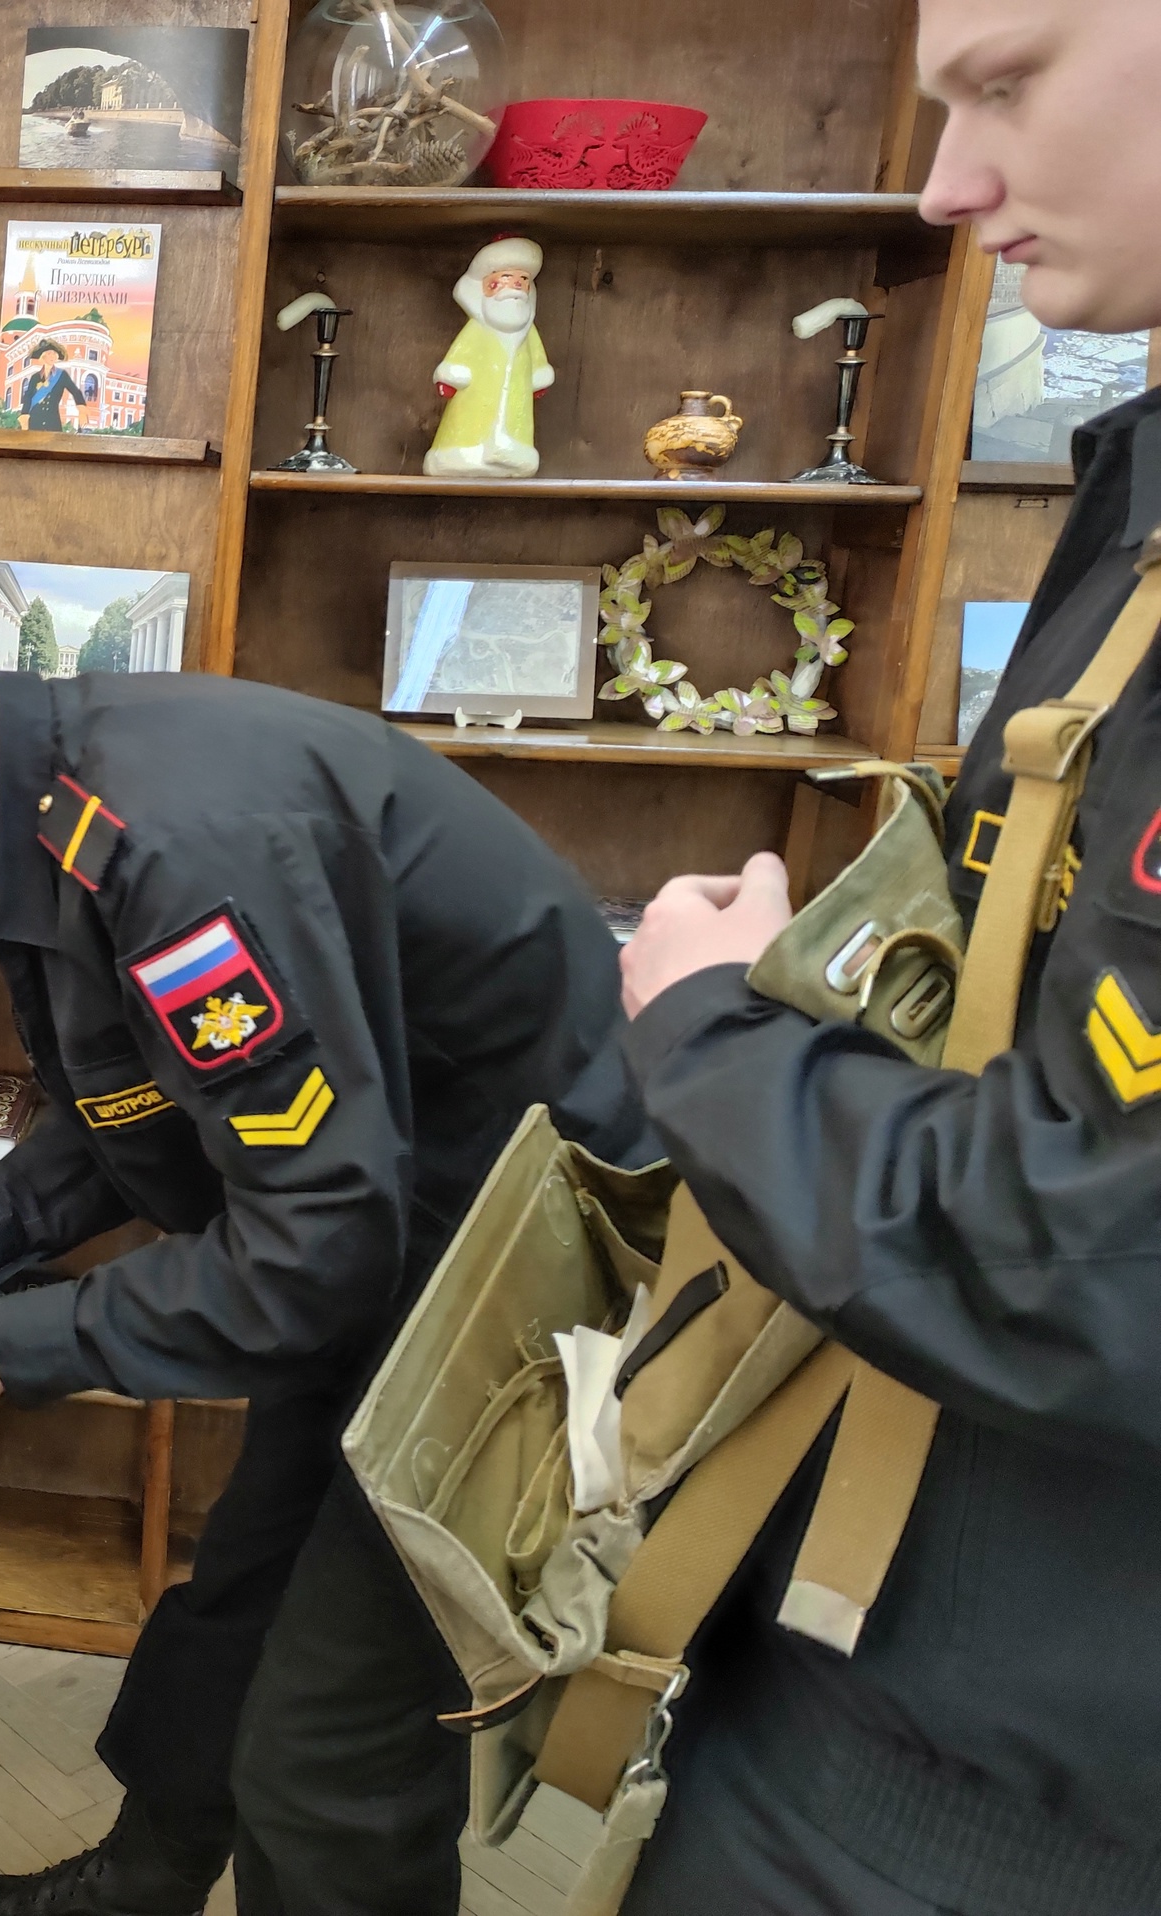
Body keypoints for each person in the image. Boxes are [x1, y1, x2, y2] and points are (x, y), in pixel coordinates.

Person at [0, 512, 648, 1916]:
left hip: (499, 1283)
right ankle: (139, 1886)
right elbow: (144, 1112)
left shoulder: (171, 842)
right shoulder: (49, 804)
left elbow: (316, 1255)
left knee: (330, 1751)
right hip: (389, 1230)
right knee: (232, 1613)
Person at [609, 2, 1161, 1909]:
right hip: (929, 1640)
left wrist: (710, 1035)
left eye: (1007, 79)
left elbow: (1087, 1245)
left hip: (1011, 1779)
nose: (946, 186)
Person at [423, 237, 555, 480]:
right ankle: (463, 454)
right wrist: (451, 376)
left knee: (515, 422)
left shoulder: (527, 331)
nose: (517, 284)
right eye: (507, 277)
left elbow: (537, 359)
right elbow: (460, 354)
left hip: (515, 393)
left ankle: (512, 456)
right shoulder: (478, 328)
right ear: (487, 286)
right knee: (471, 423)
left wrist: (539, 376)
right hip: (477, 394)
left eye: (523, 279)